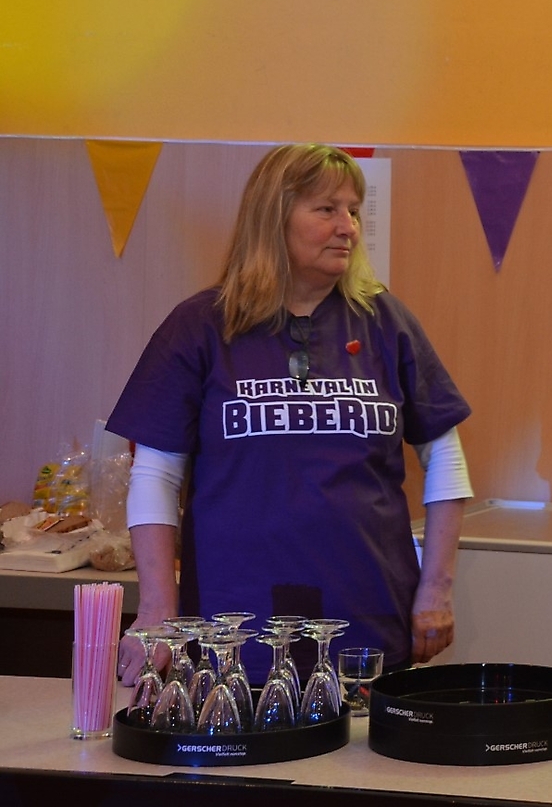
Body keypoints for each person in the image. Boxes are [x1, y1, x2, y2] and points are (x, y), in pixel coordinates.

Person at [110, 144, 473, 684]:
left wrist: (436, 589)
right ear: (273, 217)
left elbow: (445, 457)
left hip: (367, 617)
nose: (348, 227)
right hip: (233, 626)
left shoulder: (384, 321)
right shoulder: (201, 326)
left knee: (361, 743)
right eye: (327, 209)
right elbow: (156, 473)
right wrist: (158, 609)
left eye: (354, 211)